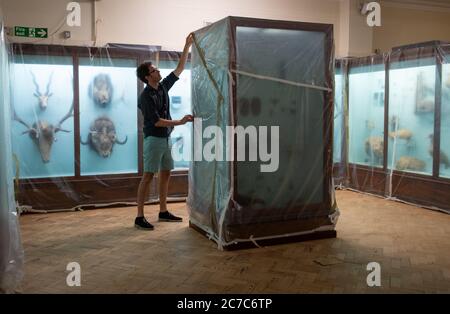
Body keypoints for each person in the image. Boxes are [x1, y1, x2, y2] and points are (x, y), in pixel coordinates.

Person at [135, 33, 194, 230]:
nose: (158, 71)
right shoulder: (145, 97)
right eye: (154, 70)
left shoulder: (162, 87)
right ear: (147, 76)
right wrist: (180, 121)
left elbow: (180, 69)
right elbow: (157, 122)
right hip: (154, 139)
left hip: (166, 138)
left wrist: (186, 47)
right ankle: (139, 216)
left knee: (166, 172)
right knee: (148, 176)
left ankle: (162, 211)